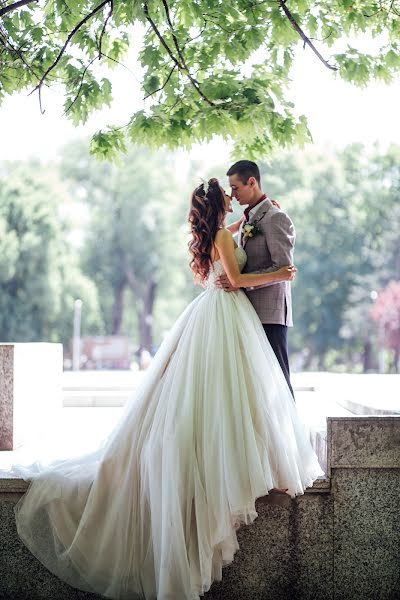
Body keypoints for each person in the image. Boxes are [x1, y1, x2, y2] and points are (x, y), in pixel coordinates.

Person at [12, 179, 323, 600]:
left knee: (222, 393)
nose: (233, 198)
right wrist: (280, 273)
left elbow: (225, 243)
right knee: (231, 392)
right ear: (219, 205)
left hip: (213, 313)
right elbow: (234, 278)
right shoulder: (219, 235)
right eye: (228, 195)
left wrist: (241, 229)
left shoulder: (213, 233)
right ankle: (243, 463)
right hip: (227, 311)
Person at [217, 160, 296, 397]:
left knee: (279, 380)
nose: (232, 195)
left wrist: (240, 280)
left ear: (252, 182)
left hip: (269, 313)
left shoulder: (275, 217)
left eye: (235, 188)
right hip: (247, 311)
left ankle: (290, 434)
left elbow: (283, 269)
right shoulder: (250, 218)